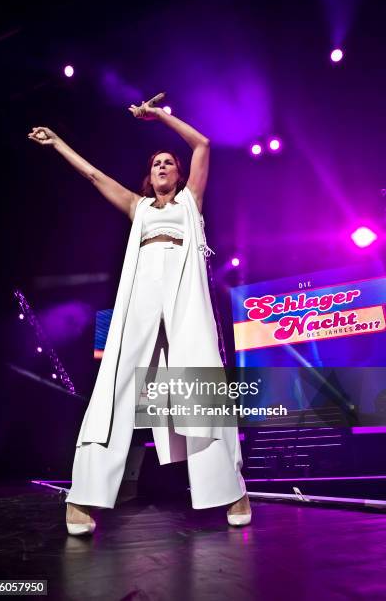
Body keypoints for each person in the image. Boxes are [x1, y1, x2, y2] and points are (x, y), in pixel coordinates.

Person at [28, 93, 251, 535]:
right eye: (156, 164)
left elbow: (203, 144)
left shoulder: (191, 203)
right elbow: (93, 176)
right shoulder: (138, 207)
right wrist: (57, 144)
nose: (163, 166)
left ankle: (231, 489)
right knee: (115, 386)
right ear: (149, 177)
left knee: (199, 385)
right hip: (142, 296)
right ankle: (85, 496)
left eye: (169, 162)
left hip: (185, 298)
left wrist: (159, 117)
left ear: (180, 173)